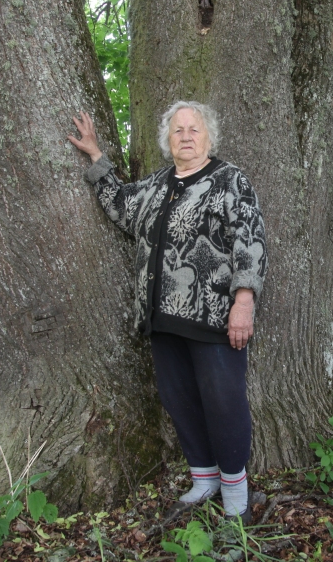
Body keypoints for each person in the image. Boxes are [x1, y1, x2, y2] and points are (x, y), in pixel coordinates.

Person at [68, 101, 267, 522]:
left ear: (208, 136)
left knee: (223, 402)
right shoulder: (157, 186)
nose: (186, 136)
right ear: (168, 140)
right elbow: (122, 208)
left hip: (214, 318)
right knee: (180, 401)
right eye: (178, 130)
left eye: (194, 129)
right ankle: (204, 480)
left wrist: (244, 302)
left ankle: (236, 498)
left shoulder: (229, 180)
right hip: (162, 319)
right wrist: (95, 156)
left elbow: (250, 239)